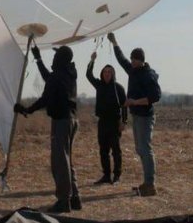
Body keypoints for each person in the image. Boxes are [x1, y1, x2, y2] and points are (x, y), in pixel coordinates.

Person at [14, 45, 81, 213]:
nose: (54, 58)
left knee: (60, 162)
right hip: (72, 120)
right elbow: (49, 78)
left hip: (61, 121)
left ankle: (64, 201)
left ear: (60, 59)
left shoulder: (58, 75)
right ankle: (75, 198)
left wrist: (27, 110)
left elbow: (45, 98)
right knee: (67, 160)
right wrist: (38, 60)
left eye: (56, 56)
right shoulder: (70, 72)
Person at [107, 32, 161, 197]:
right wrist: (114, 42)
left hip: (145, 117)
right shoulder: (133, 70)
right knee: (140, 149)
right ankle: (147, 182)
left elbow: (155, 96)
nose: (131, 62)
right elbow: (121, 59)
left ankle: (150, 185)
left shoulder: (148, 75)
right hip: (136, 116)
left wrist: (134, 102)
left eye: (134, 59)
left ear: (141, 60)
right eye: (131, 59)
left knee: (145, 148)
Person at [85, 51, 128, 185]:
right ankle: (106, 175)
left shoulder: (118, 88)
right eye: (105, 72)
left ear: (113, 74)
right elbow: (88, 75)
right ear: (102, 74)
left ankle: (117, 176)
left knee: (116, 151)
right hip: (102, 122)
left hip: (115, 122)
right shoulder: (99, 85)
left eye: (109, 72)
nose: (107, 74)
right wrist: (92, 60)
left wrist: (124, 121)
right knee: (103, 150)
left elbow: (125, 105)